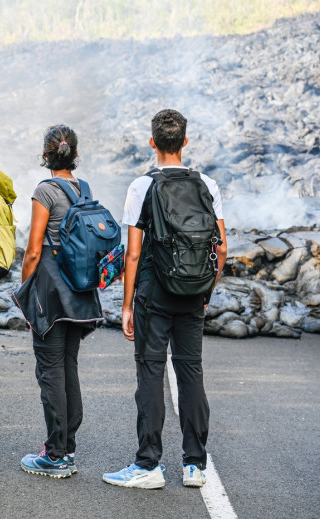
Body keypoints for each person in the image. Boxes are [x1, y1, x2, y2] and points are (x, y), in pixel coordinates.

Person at [102, 109, 227, 489]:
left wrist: (126, 306)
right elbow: (221, 250)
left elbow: (133, 254)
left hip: (154, 297)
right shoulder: (207, 184)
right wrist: (206, 291)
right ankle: (194, 465)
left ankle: (148, 465)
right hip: (193, 295)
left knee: (151, 374)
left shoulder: (142, 186)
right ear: (185, 142)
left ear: (153, 142)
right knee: (191, 373)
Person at [15, 125, 103, 478]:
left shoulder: (45, 190)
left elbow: (34, 249)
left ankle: (55, 455)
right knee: (67, 367)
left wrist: (24, 292)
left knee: (50, 370)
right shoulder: (85, 189)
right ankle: (66, 446)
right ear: (74, 155)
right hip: (81, 290)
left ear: (45, 155)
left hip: (51, 291)